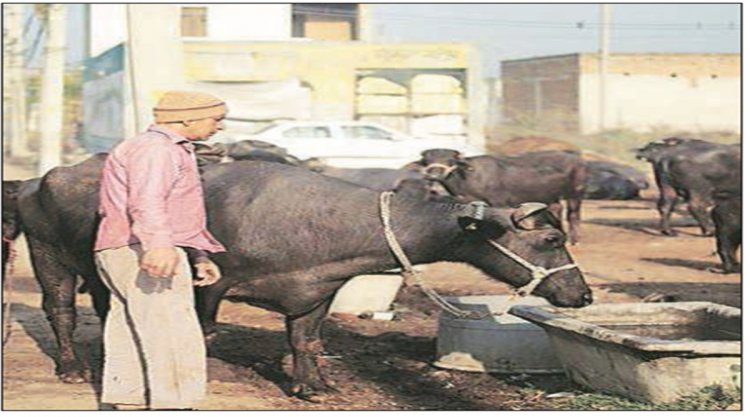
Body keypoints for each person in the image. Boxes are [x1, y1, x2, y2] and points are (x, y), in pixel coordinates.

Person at [94, 91, 228, 410]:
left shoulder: (158, 148)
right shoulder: (157, 149)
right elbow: (147, 200)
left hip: (128, 245)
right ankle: (174, 405)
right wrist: (158, 246)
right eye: (216, 119)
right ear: (187, 119)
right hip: (142, 246)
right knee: (171, 327)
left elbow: (174, 207)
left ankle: (130, 400)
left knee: (130, 326)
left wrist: (198, 254)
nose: (220, 127)